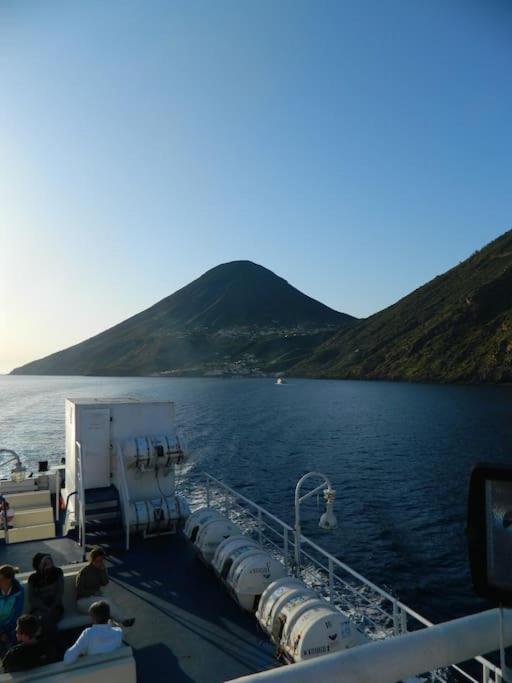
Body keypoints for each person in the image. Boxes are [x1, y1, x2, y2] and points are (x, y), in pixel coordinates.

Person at [75, 547, 134, 627]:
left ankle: (115, 627)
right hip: (83, 602)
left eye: (101, 561)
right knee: (105, 602)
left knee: (108, 603)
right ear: (92, 560)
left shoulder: (101, 569)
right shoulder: (84, 572)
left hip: (95, 600)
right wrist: (94, 592)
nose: (99, 563)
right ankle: (123, 620)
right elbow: (80, 591)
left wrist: (102, 571)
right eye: (97, 561)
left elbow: (105, 583)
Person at [27, 553, 64, 633]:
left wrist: (51, 608)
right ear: (39, 565)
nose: (49, 565)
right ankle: (55, 643)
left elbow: (59, 593)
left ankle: (48, 643)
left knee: (46, 619)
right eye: (46, 564)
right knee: (42, 619)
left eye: (50, 562)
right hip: (38, 609)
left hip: (55, 607)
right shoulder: (33, 578)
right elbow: (32, 598)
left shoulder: (58, 572)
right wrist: (44, 608)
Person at [0, 565, 24, 656]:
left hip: (12, 625)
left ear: (8, 580)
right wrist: (1, 632)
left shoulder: (19, 590)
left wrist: (10, 629)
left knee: (15, 636)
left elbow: (17, 612)